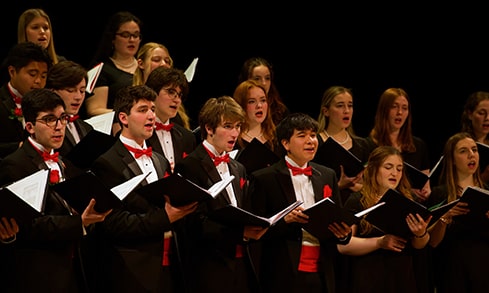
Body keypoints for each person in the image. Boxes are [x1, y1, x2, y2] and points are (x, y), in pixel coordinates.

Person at [0, 88, 111, 292]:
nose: (59, 127)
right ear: (30, 126)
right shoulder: (15, 165)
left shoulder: (64, 162)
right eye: (50, 120)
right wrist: (80, 222)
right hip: (39, 273)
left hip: (74, 268)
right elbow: (29, 225)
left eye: (63, 118)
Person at [90, 84, 197, 292]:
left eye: (152, 110)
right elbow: (113, 223)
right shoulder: (107, 163)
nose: (151, 116)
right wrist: (165, 218)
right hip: (133, 269)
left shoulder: (159, 160)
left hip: (170, 265)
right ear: (123, 118)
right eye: (142, 110)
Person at [248, 112, 352, 293]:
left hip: (322, 271)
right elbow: (254, 231)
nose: (311, 140)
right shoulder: (265, 178)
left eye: (313, 135)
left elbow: (337, 218)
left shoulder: (328, 175)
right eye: (302, 135)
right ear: (285, 143)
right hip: (283, 273)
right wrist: (284, 221)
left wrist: (343, 234)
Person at [174, 96, 268, 293]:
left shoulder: (238, 167)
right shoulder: (189, 166)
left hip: (241, 264)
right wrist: (239, 232)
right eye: (227, 126)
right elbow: (191, 223)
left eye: (238, 126)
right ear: (209, 128)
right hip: (209, 267)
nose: (235, 133)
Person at [337, 145, 432, 293]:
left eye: (399, 169)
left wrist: (420, 233)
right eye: (388, 167)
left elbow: (420, 245)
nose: (395, 173)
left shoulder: (409, 200)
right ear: (374, 169)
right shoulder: (358, 200)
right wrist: (379, 242)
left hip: (402, 277)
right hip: (369, 277)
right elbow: (344, 245)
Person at [425, 132, 489, 292]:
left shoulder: (487, 192)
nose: (471, 155)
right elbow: (432, 242)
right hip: (452, 271)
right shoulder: (440, 194)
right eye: (463, 151)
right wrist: (445, 217)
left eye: (474, 150)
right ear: (452, 160)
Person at [85, 11, 143, 135]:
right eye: (125, 35)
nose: (132, 40)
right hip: (116, 133)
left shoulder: (144, 67)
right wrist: (129, 115)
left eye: (136, 35)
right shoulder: (102, 70)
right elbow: (94, 109)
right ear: (112, 38)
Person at [315, 85, 369, 203]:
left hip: (355, 208)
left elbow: (371, 186)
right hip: (327, 207)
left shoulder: (362, 145)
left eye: (350, 105)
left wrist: (358, 186)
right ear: (326, 111)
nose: (347, 110)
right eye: (340, 106)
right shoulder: (315, 143)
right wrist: (338, 186)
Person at [0, 41, 52, 159]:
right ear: (12, 72)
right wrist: (18, 147)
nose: (39, 81)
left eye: (43, 76)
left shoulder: (48, 101)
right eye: (32, 74)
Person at [145, 66, 196, 171]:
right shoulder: (139, 133)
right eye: (171, 92)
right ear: (153, 92)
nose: (177, 100)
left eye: (179, 95)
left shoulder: (187, 137)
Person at [133, 41, 192, 130]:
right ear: (141, 64)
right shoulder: (132, 96)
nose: (163, 64)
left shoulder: (176, 100)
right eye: (156, 60)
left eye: (167, 61)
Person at [45, 60, 94, 157]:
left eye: (82, 91)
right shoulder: (45, 126)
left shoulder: (87, 128)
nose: (78, 97)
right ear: (52, 90)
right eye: (71, 90)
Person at [237, 57, 289, 125]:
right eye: (257, 79)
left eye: (267, 78)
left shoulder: (280, 111)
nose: (264, 83)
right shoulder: (236, 109)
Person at [232, 79, 277, 153]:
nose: (259, 106)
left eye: (263, 100)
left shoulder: (276, 138)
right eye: (252, 101)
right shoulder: (233, 140)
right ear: (240, 106)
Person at [460, 90, 489, 183]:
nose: (487, 118)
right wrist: (484, 177)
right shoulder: (459, 144)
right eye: (481, 113)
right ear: (470, 114)